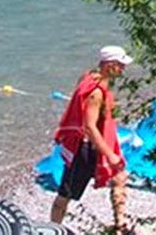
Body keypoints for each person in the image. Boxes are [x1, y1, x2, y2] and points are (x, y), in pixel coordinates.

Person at [50, 45, 132, 231]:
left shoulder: (88, 77)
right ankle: (52, 228)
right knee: (66, 194)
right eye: (120, 65)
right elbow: (89, 126)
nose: (123, 69)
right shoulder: (96, 92)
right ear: (109, 65)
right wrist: (110, 155)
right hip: (86, 150)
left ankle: (121, 224)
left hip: (96, 145)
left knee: (120, 176)